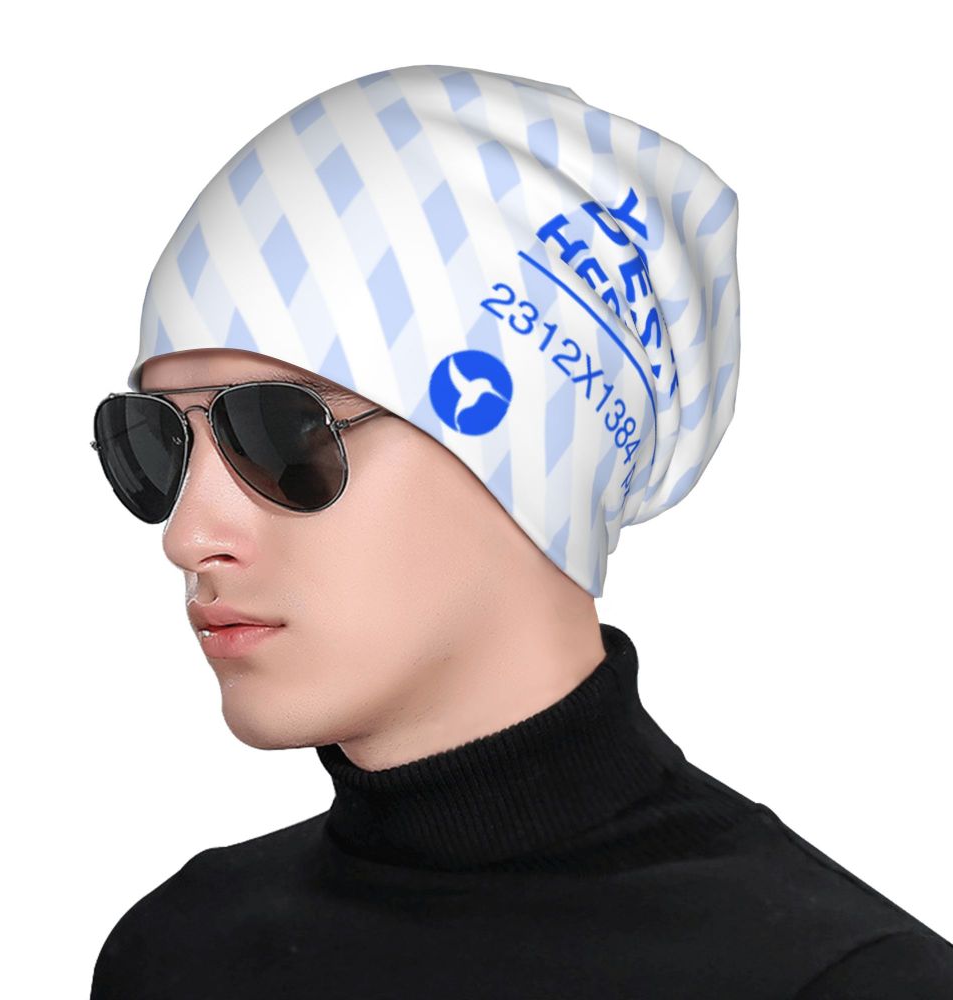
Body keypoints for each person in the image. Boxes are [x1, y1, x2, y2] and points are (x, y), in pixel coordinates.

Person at [88, 65, 953, 997]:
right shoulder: (177, 952)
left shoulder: (837, 981)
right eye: (159, 439)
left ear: (534, 451)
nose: (188, 535)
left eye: (283, 434)